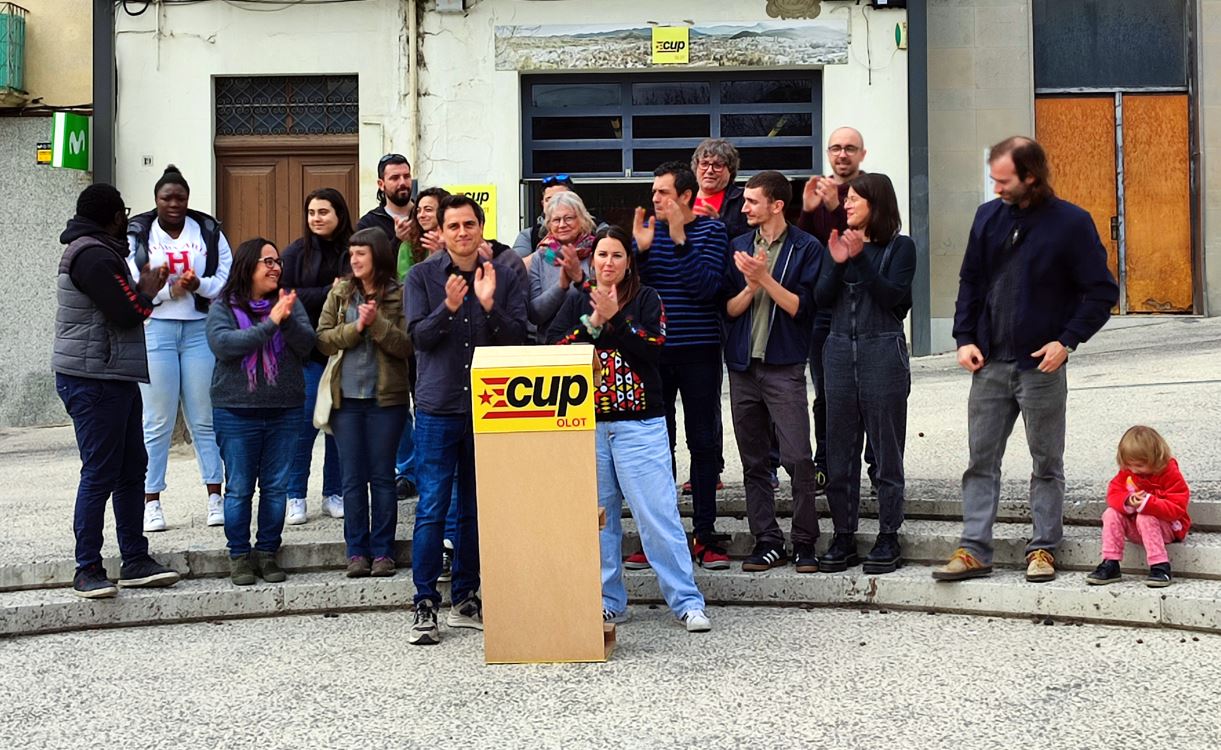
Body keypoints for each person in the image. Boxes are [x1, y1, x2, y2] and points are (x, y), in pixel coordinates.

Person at [934, 136, 1119, 583]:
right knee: (980, 462)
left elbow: (1102, 292)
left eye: (1004, 181)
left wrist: (1067, 341)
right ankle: (974, 550)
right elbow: (970, 282)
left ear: (1031, 177)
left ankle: (1043, 549)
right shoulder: (987, 217)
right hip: (989, 364)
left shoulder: (1071, 223)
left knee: (1046, 463)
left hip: (1041, 365)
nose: (996, 188)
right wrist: (964, 338)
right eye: (993, 179)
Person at [548, 226, 711, 632]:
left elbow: (653, 348)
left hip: (640, 426)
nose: (608, 263)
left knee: (657, 516)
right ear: (592, 260)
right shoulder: (577, 299)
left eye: (617, 255)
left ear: (628, 261)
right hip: (589, 426)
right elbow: (556, 347)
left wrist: (616, 319)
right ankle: (608, 601)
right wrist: (594, 321)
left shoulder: (647, 298)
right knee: (599, 521)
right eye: (602, 255)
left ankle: (687, 601)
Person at [405, 195, 528, 645]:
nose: (462, 233)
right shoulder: (421, 276)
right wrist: (449, 308)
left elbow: (519, 338)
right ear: (440, 231)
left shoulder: (504, 273)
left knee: (476, 508)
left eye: (469, 224)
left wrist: (489, 305)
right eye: (453, 226)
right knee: (432, 507)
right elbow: (417, 338)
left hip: (488, 407)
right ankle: (424, 603)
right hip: (438, 408)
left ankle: (465, 598)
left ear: (481, 226)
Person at [54, 183, 181, 598]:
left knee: (131, 468)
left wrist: (143, 290)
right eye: (123, 212)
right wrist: (147, 289)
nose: (127, 220)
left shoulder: (100, 251)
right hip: (93, 379)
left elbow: (128, 305)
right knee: (100, 472)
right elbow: (127, 311)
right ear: (112, 216)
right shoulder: (92, 256)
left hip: (114, 375)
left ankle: (135, 560)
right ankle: (87, 567)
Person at [815, 173, 917, 575]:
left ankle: (888, 534)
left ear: (876, 204)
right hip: (839, 350)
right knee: (839, 451)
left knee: (886, 450)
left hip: (882, 350)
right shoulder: (839, 244)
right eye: (847, 199)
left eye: (855, 199)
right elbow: (821, 300)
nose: (847, 205)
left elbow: (894, 299)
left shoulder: (900, 247)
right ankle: (844, 535)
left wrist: (858, 258)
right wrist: (839, 262)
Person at [721, 171, 823, 573]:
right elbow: (729, 310)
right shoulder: (738, 246)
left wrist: (764, 278)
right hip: (743, 367)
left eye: (752, 201)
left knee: (798, 457)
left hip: (784, 366)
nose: (744, 207)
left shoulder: (806, 247)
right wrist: (750, 286)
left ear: (777, 205)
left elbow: (802, 308)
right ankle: (767, 539)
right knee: (754, 461)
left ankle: (805, 541)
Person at [631, 161, 730, 571]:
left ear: (686, 196)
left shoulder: (712, 232)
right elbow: (632, 292)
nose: (655, 198)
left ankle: (705, 534)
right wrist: (639, 252)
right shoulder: (646, 234)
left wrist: (679, 240)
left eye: (663, 192)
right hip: (656, 353)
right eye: (653, 191)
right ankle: (660, 537)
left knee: (703, 443)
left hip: (700, 350)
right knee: (658, 446)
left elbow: (706, 288)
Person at [127, 165, 231, 532]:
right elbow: (132, 280)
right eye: (166, 198)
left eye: (180, 198)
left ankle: (215, 496)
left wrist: (197, 285)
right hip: (156, 330)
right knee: (157, 421)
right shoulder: (139, 234)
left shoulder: (207, 230)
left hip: (198, 329)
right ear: (156, 200)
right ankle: (151, 501)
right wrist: (169, 291)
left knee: (204, 417)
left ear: (188, 199)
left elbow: (224, 277)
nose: (174, 204)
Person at [206, 238, 314, 586]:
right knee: (239, 488)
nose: (275, 267)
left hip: (285, 409)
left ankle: (267, 553)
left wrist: (285, 319)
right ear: (247, 265)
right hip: (236, 411)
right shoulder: (223, 304)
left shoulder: (288, 302)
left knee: (276, 487)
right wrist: (271, 323)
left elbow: (308, 345)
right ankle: (239, 556)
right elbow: (224, 345)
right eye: (267, 261)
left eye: (277, 261)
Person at [316, 228, 412, 578]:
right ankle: (356, 551)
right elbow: (323, 340)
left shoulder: (400, 294)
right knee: (352, 478)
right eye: (352, 253)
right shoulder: (341, 292)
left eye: (361, 253)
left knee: (383, 476)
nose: (354, 259)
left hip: (387, 400)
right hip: (346, 401)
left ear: (378, 255)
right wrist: (356, 328)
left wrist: (377, 324)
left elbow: (406, 345)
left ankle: (383, 551)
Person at [799, 126, 875, 494]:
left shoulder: (873, 189)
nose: (842, 154)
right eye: (835, 148)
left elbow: (857, 240)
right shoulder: (819, 190)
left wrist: (833, 208)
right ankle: (825, 464)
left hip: (865, 306)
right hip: (824, 308)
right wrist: (807, 210)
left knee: (871, 394)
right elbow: (806, 246)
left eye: (849, 148)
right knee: (826, 394)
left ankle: (877, 467)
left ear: (862, 153)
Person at [279, 188, 352, 525]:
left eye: (323, 212)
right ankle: (295, 495)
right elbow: (286, 295)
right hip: (306, 354)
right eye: (311, 212)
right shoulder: (296, 253)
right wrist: (328, 291)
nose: (316, 218)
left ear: (339, 214)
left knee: (338, 428)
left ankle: (333, 493)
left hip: (345, 352)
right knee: (304, 427)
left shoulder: (353, 248)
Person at [395, 186, 450, 504]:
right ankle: (413, 475)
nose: (423, 214)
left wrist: (444, 252)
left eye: (430, 208)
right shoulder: (409, 245)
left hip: (453, 342)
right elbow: (405, 286)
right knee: (418, 406)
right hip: (419, 336)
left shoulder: (460, 243)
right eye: (420, 209)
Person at [1087, 426, 1190, 588]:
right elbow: (1113, 494)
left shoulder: (1169, 473)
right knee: (1110, 513)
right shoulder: (1128, 473)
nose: (1134, 470)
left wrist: (1149, 504)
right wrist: (1128, 501)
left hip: (1167, 527)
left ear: (1155, 458)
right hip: (1137, 526)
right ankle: (1110, 562)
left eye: (1140, 465)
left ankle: (1160, 565)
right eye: (1130, 465)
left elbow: (1177, 508)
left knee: (1146, 516)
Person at [527, 191, 596, 342]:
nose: (562, 225)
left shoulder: (596, 252)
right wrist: (561, 286)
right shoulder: (541, 257)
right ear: (549, 225)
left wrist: (579, 279)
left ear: (582, 219)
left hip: (591, 343)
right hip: (550, 347)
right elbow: (535, 315)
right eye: (556, 220)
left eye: (569, 218)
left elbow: (603, 302)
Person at [691, 138, 748, 241]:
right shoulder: (682, 197)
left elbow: (750, 240)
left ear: (730, 170)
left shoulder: (744, 200)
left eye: (717, 165)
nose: (709, 171)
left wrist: (719, 224)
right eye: (704, 164)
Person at [512, 174, 574, 264]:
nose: (554, 203)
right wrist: (544, 251)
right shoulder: (530, 235)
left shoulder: (592, 231)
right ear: (543, 204)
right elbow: (514, 268)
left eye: (561, 198)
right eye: (549, 199)